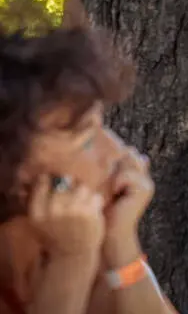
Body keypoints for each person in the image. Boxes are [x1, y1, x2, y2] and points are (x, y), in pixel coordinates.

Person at [0, 28, 176, 314]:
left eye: (102, 127)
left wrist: (121, 244)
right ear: (15, 168)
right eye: (87, 141)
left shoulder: (82, 224)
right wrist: (71, 259)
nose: (118, 152)